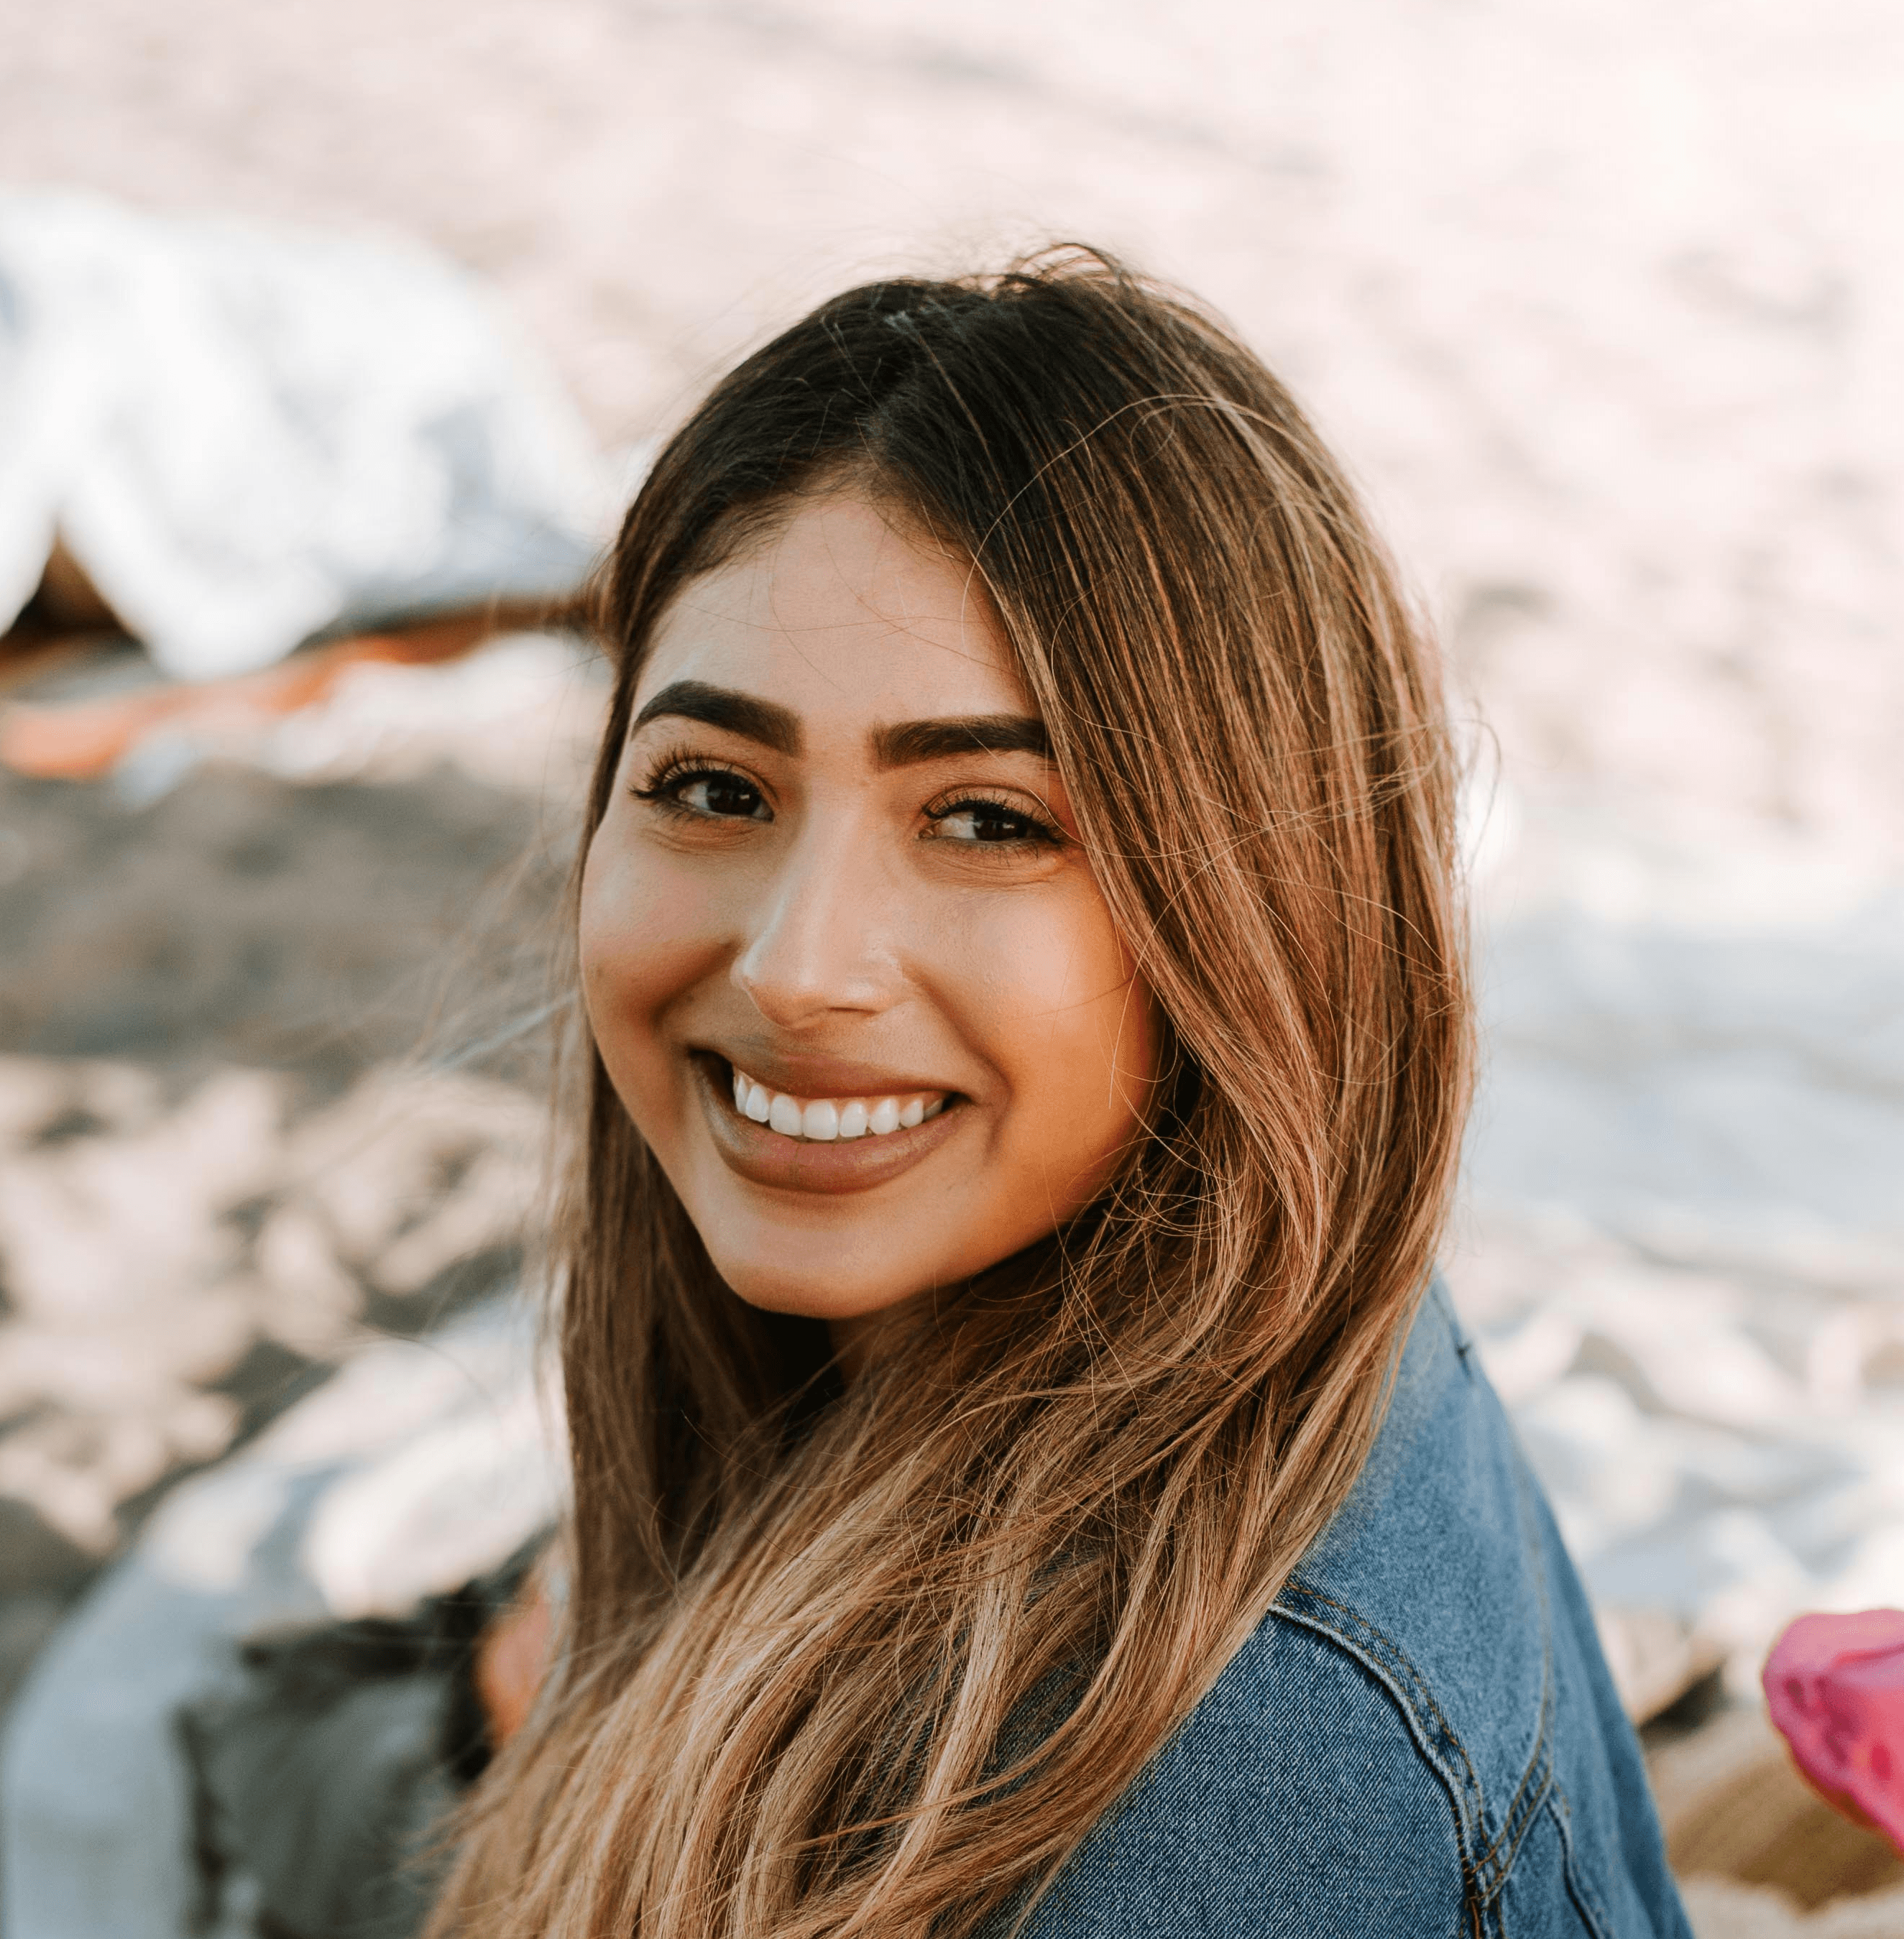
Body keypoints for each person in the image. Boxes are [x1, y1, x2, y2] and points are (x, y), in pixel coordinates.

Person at [426, 247, 1693, 1939]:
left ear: (1259, 915)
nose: (802, 966)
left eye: (990, 818)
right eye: (714, 785)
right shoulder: (1176, 1313)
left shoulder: (1217, 1815)